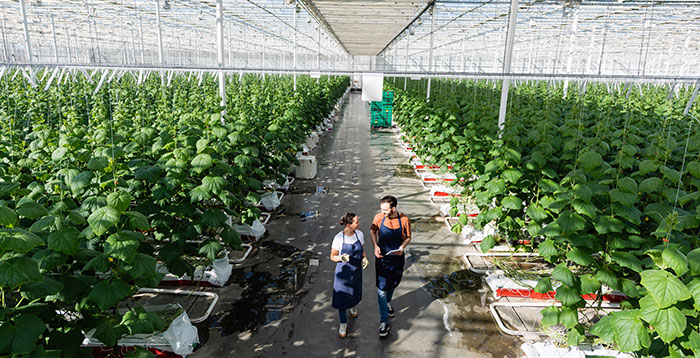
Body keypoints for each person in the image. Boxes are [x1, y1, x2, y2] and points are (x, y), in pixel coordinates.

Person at [370, 195, 411, 337]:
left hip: (397, 258)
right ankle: (384, 321)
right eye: (381, 209)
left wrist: (402, 247)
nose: (383, 212)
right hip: (382, 258)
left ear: (393, 208)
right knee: (381, 289)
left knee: (393, 283)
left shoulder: (404, 219)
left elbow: (408, 237)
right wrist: (375, 246)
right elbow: (372, 231)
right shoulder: (378, 218)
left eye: (386, 210)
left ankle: (387, 302)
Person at [330, 213, 369, 338]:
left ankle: (352, 307)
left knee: (354, 293)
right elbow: (332, 256)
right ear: (349, 225)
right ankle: (343, 324)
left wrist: (364, 258)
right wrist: (340, 258)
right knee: (341, 299)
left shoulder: (359, 234)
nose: (358, 224)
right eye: (356, 222)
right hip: (343, 274)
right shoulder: (339, 238)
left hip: (356, 271)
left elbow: (362, 248)